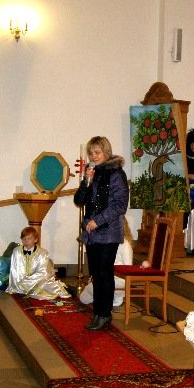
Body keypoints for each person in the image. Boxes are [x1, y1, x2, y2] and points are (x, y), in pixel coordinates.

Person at [74, 136, 129, 331]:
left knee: (105, 274)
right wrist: (86, 181)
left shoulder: (116, 173)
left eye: (97, 152)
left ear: (106, 152)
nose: (93, 156)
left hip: (108, 232)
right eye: (91, 153)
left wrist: (98, 220)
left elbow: (120, 205)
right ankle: (98, 313)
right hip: (92, 233)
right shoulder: (93, 173)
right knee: (96, 274)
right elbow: (79, 201)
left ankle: (105, 314)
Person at [79, 217, 134, 307]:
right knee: (83, 298)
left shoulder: (124, 244)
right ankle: (105, 297)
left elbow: (128, 268)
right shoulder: (105, 242)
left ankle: (115, 297)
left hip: (119, 279)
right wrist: (94, 277)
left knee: (99, 286)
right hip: (104, 277)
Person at [6, 226, 71, 300]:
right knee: (19, 287)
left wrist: (29, 282)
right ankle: (25, 289)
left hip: (38, 281)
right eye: (24, 238)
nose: (26, 241)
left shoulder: (43, 253)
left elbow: (43, 273)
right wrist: (21, 282)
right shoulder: (16, 252)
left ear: (35, 240)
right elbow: (15, 270)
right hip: (21, 280)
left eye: (29, 238)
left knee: (51, 287)